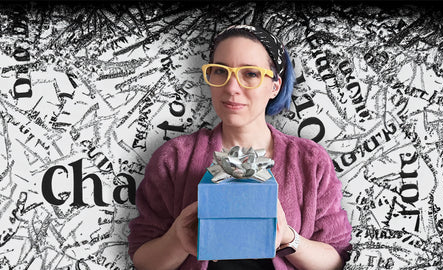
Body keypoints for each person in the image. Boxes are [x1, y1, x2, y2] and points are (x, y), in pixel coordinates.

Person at [128, 24, 352, 270]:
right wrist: (178, 239)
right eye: (221, 72)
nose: (232, 87)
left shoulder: (310, 160)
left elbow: (336, 259)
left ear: (275, 85)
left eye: (251, 74)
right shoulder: (174, 158)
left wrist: (289, 237)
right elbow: (143, 258)